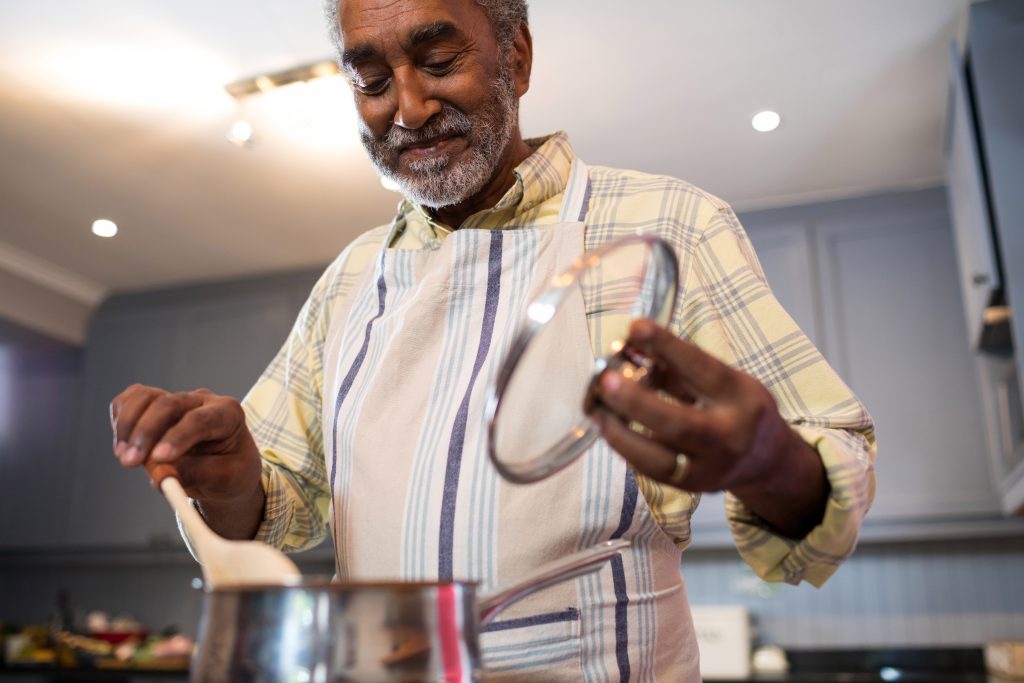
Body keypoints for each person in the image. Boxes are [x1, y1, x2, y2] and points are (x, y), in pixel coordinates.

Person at [110, 0, 876, 679]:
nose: (406, 108)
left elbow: (836, 451)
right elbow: (274, 509)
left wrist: (767, 459)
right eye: (372, 81)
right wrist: (235, 475)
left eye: (439, 61)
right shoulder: (350, 279)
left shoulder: (669, 226)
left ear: (517, 56)